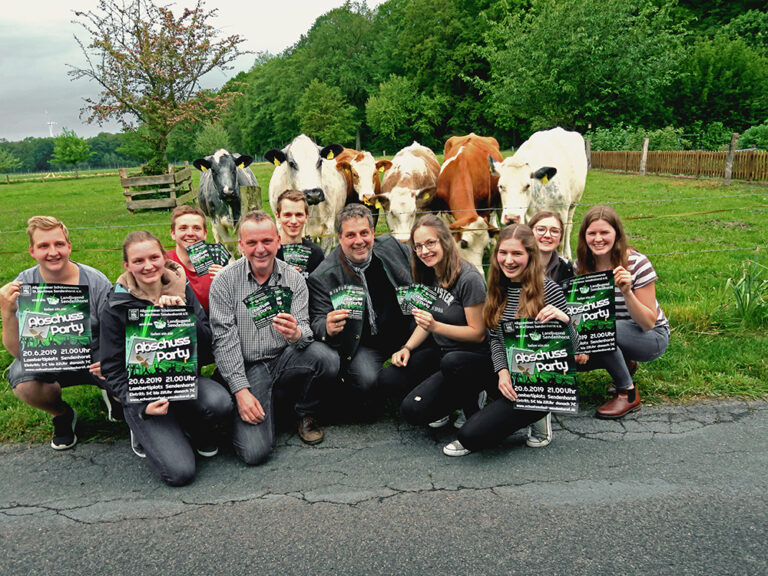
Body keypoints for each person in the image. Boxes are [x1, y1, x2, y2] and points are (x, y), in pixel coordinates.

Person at [99, 231, 232, 486]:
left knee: (219, 402)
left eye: (154, 257)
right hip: (145, 394)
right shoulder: (116, 304)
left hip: (184, 383)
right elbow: (111, 367)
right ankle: (142, 427)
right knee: (179, 473)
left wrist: (184, 317)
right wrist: (138, 404)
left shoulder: (183, 289)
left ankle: (190, 425)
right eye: (138, 261)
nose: (148, 266)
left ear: (164, 257)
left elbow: (206, 349)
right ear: (127, 265)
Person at [209, 210, 338, 465]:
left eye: (267, 241)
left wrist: (297, 333)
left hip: (283, 359)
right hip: (247, 367)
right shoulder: (225, 281)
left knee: (326, 359)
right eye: (252, 242)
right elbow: (223, 341)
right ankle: (247, 413)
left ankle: (303, 412)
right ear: (241, 245)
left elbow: (304, 333)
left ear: (278, 241)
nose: (260, 249)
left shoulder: (294, 279)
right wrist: (241, 391)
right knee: (255, 453)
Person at [444, 223, 575, 457]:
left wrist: (565, 320)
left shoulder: (549, 290)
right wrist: (503, 373)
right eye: (503, 253)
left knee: (468, 437)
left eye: (517, 254)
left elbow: (575, 351)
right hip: (509, 373)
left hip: (536, 383)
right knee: (453, 361)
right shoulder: (497, 289)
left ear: (531, 256)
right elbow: (495, 339)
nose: (509, 260)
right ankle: (479, 413)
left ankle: (540, 416)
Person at [0, 216, 113, 450]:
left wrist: (109, 362)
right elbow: (18, 352)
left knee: (122, 367)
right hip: (50, 358)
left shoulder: (95, 280)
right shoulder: (24, 285)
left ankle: (114, 396)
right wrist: (7, 313)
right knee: (21, 376)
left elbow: (114, 330)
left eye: (59, 244)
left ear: (69, 246)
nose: (53, 252)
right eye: (43, 246)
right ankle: (61, 414)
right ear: (32, 251)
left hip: (93, 354)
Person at [379, 215, 492, 430]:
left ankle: (473, 392)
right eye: (419, 246)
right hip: (441, 352)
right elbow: (425, 321)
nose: (424, 251)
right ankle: (447, 400)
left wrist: (435, 327)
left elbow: (478, 334)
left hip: (469, 357)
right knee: (389, 378)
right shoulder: (428, 273)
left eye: (431, 243)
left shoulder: (469, 279)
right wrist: (407, 347)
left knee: (415, 410)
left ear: (445, 241)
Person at [308, 204, 413, 416]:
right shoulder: (322, 277)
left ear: (374, 233)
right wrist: (326, 327)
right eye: (350, 235)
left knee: (432, 345)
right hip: (363, 343)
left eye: (364, 233)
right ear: (339, 237)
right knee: (367, 382)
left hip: (403, 329)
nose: (359, 241)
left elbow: (422, 270)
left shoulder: (393, 246)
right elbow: (316, 320)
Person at [573, 205, 670, 419]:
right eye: (592, 233)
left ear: (616, 234)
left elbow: (648, 323)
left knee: (601, 329)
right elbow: (583, 314)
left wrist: (627, 291)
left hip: (650, 336)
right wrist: (581, 345)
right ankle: (623, 363)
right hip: (609, 332)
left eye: (604, 232)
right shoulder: (580, 266)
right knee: (573, 351)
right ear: (584, 236)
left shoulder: (636, 263)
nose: (598, 239)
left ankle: (627, 392)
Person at [525, 210, 576, 447]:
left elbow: (574, 309)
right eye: (541, 229)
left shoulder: (566, 268)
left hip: (553, 336)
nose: (548, 235)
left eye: (555, 230)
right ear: (530, 233)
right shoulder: (515, 262)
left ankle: (541, 408)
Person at [165, 204, 223, 313]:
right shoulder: (162, 262)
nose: (190, 233)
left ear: (205, 234)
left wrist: (226, 282)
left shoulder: (219, 262)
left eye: (196, 228)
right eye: (183, 228)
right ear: (173, 234)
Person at [274, 189, 325, 278]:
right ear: (278, 216)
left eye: (299, 215)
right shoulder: (268, 253)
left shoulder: (315, 253)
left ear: (306, 217)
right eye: (287, 215)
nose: (293, 221)